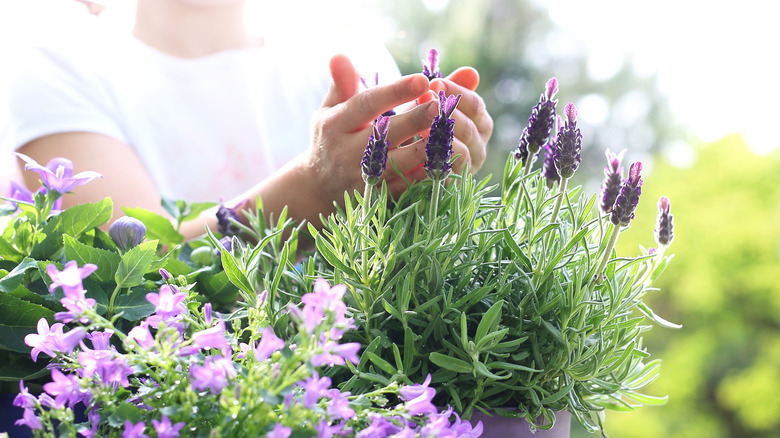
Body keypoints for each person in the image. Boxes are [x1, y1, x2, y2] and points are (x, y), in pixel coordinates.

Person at [8, 0, 493, 243]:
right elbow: (132, 271)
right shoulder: (60, 64)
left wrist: (434, 178)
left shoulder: (343, 48)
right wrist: (315, 190)